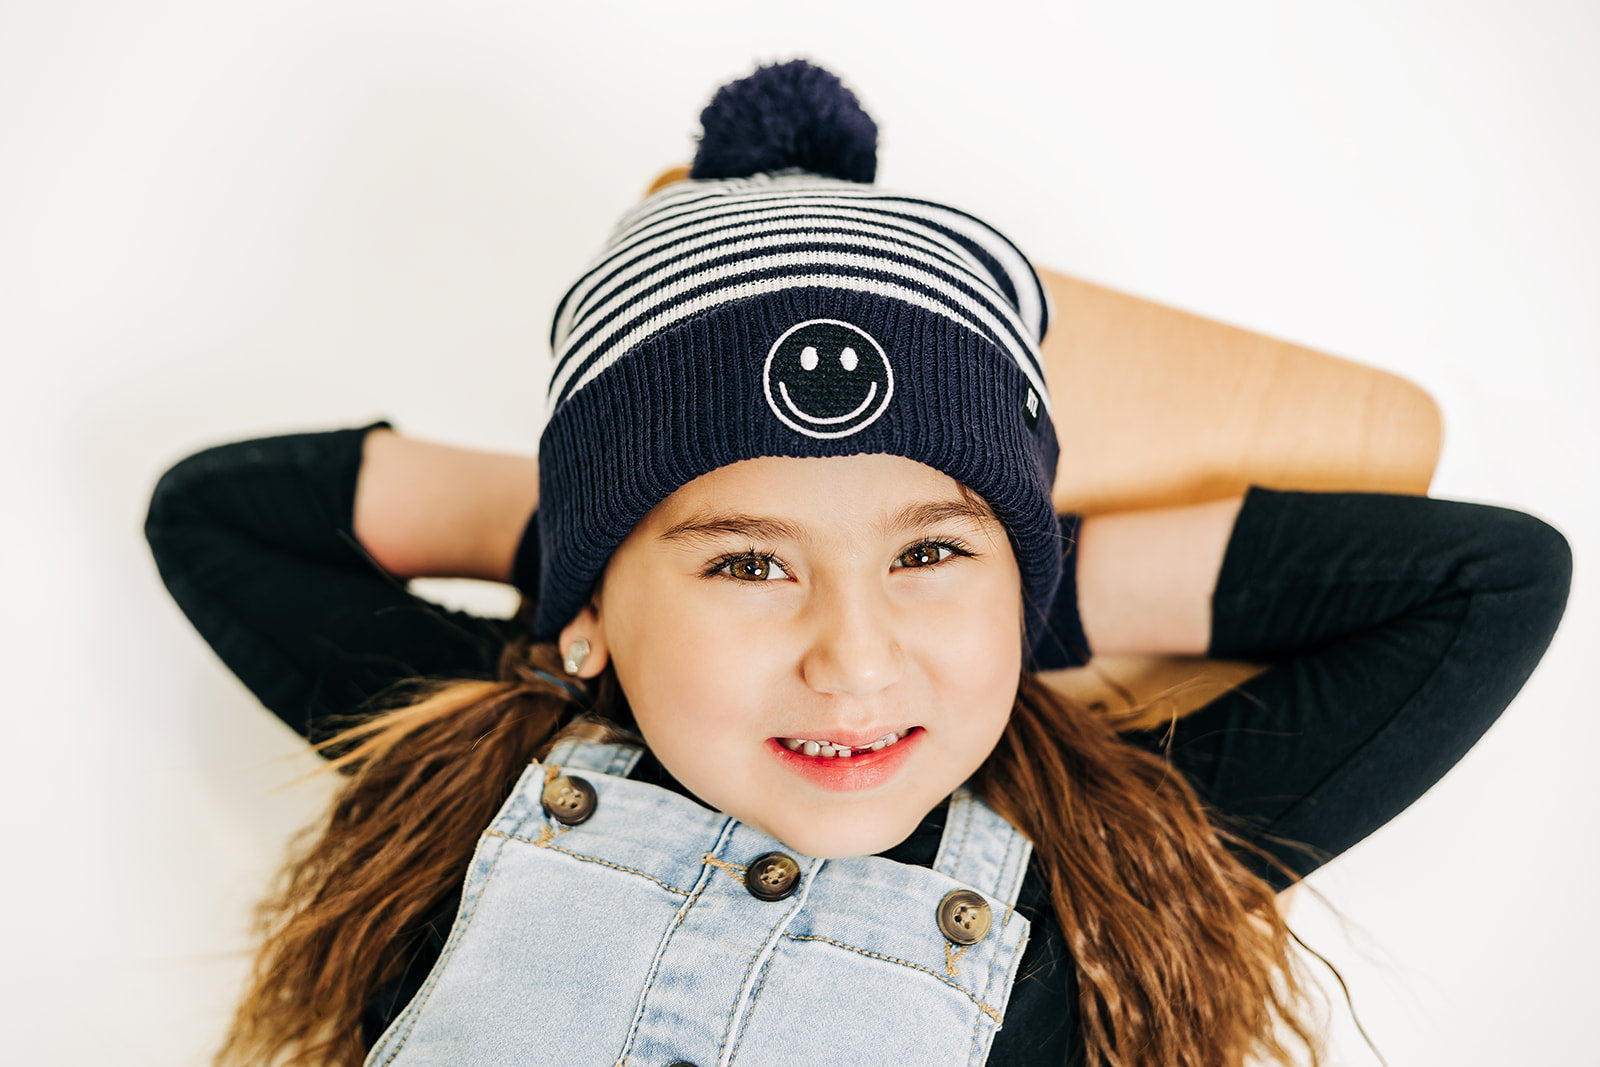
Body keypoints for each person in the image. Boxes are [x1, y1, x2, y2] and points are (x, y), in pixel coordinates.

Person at [145, 60, 1572, 1067]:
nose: (858, 657)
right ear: (589, 615)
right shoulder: (483, 783)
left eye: (929, 552)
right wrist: (584, 535)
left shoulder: (1110, 870)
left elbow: (1490, 583)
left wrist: (1026, 586)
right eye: (747, 569)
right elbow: (213, 515)